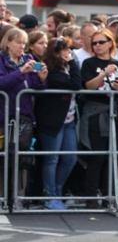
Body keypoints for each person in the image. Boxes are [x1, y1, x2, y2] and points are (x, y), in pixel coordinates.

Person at [0, 28, 47, 199]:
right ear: (8, 43)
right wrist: (20, 72)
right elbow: (2, 83)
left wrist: (42, 78)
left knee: (22, 157)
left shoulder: (28, 59)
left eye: (24, 43)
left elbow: (35, 87)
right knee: (3, 156)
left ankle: (19, 196)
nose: (22, 46)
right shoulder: (1, 59)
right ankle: (3, 195)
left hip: (24, 116)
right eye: (18, 42)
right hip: (4, 115)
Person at [81, 28, 118, 207]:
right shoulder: (88, 63)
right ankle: (91, 196)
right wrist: (103, 74)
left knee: (112, 156)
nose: (97, 46)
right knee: (96, 156)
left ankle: (109, 195)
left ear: (110, 43)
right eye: (94, 43)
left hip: (114, 111)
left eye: (101, 42)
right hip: (94, 112)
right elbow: (88, 86)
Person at [34, 36, 80, 209]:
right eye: (66, 50)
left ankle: (57, 191)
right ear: (57, 53)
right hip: (52, 121)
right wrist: (74, 64)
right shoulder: (52, 71)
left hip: (69, 120)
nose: (69, 53)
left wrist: (71, 64)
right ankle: (50, 196)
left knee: (70, 158)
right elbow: (76, 85)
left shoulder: (66, 67)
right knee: (51, 159)